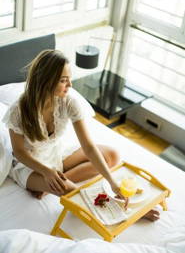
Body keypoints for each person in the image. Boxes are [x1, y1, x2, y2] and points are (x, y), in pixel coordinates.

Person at [3, 49, 159, 221]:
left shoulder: (68, 102)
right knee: (70, 190)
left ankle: (47, 187)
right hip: (30, 166)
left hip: (55, 155)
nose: (70, 85)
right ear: (45, 82)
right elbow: (19, 152)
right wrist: (47, 172)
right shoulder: (19, 110)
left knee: (112, 156)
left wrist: (113, 183)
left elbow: (89, 147)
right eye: (63, 80)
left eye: (69, 78)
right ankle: (124, 211)